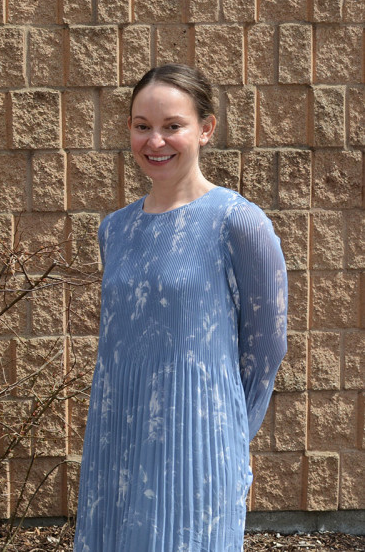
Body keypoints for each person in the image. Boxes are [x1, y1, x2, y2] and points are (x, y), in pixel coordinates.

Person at [73, 64, 288, 551]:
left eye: (173, 126)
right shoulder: (116, 230)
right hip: (116, 446)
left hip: (196, 449)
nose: (155, 142)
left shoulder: (238, 223)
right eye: (142, 126)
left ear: (206, 129)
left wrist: (226, 433)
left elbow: (266, 346)